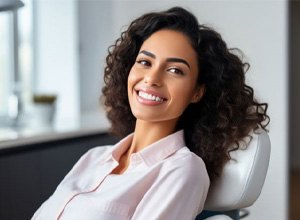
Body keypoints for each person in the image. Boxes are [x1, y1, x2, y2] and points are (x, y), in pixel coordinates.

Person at [32, 6, 269, 220]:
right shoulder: (94, 158)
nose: (152, 79)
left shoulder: (182, 171)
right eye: (145, 62)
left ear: (197, 91)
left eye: (175, 70)